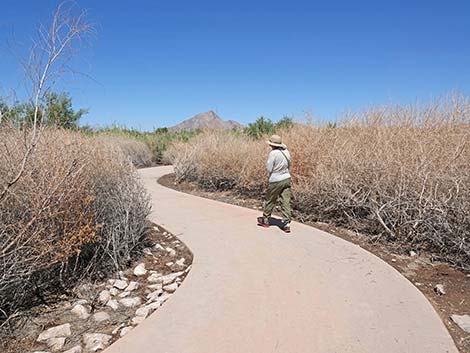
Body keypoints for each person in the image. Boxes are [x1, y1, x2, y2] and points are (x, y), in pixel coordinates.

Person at [257, 134, 292, 233]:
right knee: (286, 200)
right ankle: (286, 223)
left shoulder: (273, 153)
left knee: (270, 199)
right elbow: (289, 165)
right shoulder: (286, 152)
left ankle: (266, 219)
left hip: (275, 180)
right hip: (286, 178)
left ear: (272, 145)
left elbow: (269, 168)